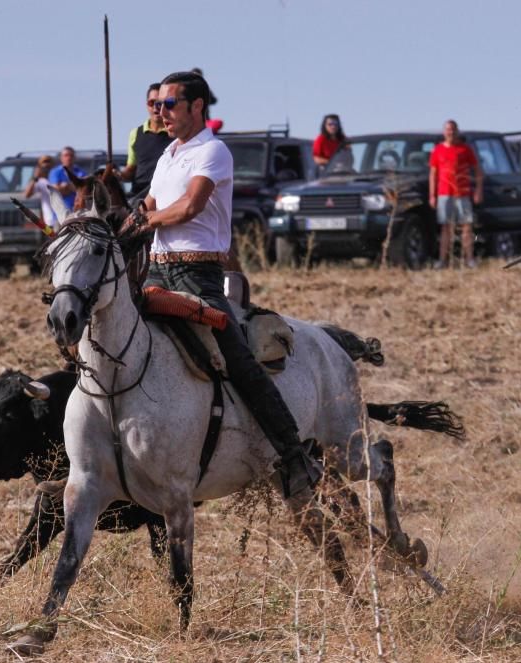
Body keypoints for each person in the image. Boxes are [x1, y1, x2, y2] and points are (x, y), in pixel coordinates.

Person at [122, 71, 321, 498]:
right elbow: (148, 205)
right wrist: (114, 223)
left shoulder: (213, 151)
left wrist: (143, 221)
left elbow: (188, 208)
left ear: (197, 107)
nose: (161, 112)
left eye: (170, 104)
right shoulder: (168, 155)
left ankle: (294, 455)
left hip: (199, 278)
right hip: (155, 272)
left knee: (241, 364)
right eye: (157, 105)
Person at [429, 119, 483, 268]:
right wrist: (432, 195)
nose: (450, 132)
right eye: (448, 129)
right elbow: (433, 174)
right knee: (445, 227)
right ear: (444, 132)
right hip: (444, 193)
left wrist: (478, 189)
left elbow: (477, 170)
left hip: (463, 193)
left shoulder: (465, 149)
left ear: (457, 131)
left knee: (466, 226)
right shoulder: (437, 150)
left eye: (452, 129)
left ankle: (469, 259)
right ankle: (442, 260)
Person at [120, 83, 172, 198]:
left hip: (165, 198)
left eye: (160, 103)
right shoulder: (135, 133)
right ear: (146, 105)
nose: (155, 107)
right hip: (138, 198)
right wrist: (118, 175)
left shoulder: (176, 133)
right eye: (151, 103)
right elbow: (131, 169)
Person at [24, 155, 59, 229]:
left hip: (62, 219)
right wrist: (35, 177)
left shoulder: (58, 179)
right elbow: (27, 194)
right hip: (49, 222)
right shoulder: (40, 182)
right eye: (44, 163)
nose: (47, 165)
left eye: (49, 163)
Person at [49, 146, 87, 210]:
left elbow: (85, 190)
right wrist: (76, 187)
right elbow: (56, 192)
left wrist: (65, 186)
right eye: (66, 155)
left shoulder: (81, 172)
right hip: (60, 214)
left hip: (78, 211)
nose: (69, 158)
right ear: (61, 158)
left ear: (74, 158)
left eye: (71, 155)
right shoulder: (55, 172)